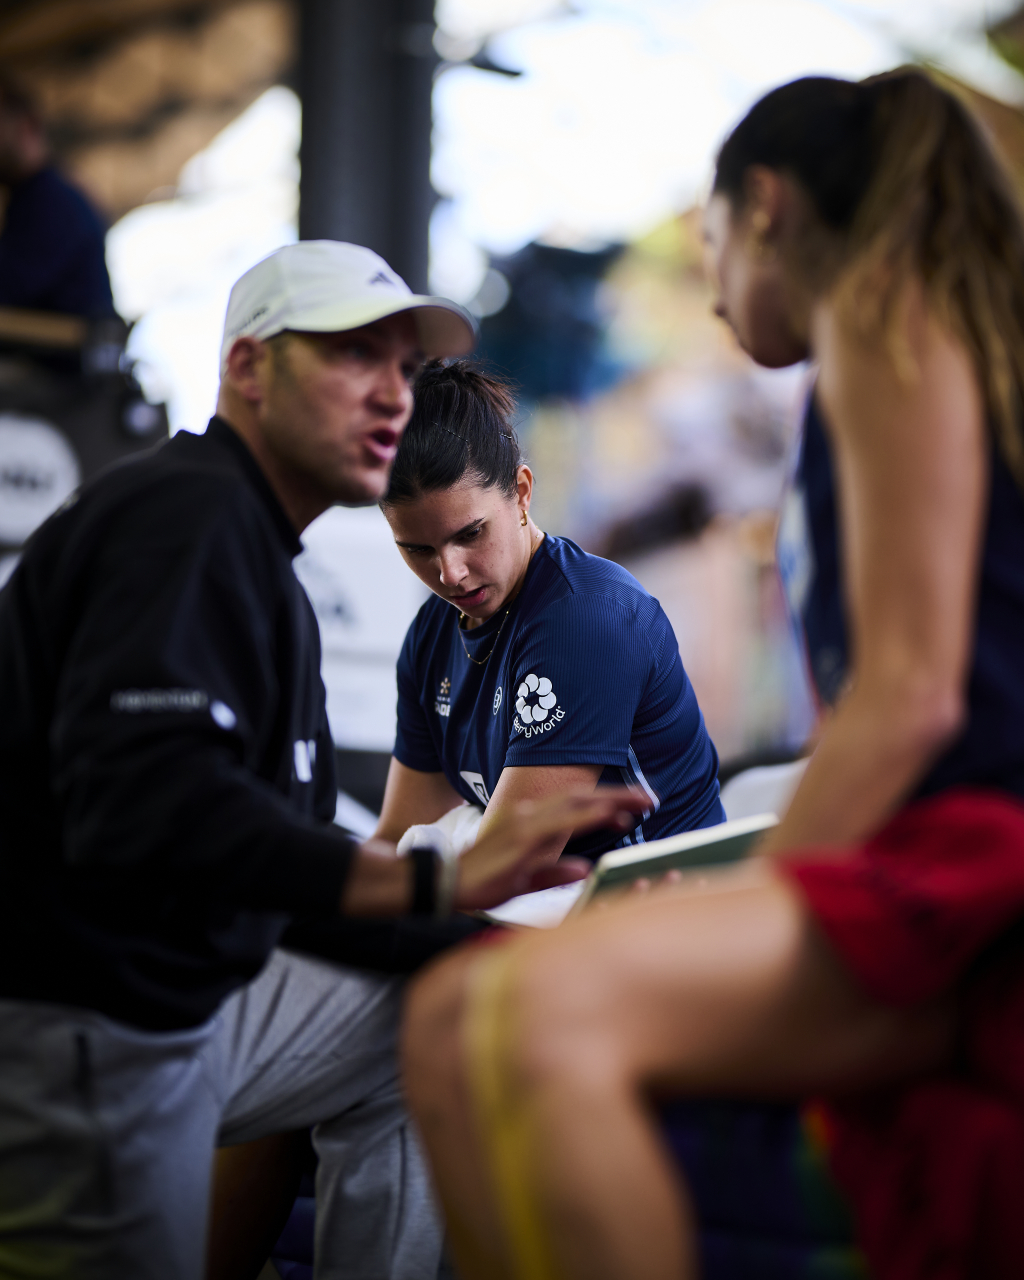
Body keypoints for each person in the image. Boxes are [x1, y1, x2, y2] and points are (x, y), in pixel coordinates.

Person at [401, 69, 1024, 1280]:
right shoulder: (882, 357)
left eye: (713, 242)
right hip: (930, 856)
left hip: (967, 869)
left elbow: (911, 697)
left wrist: (758, 893)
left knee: (524, 1013)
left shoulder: (891, 321)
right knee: (440, 1020)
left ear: (771, 206)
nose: (710, 285)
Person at [0, 238, 644, 1280]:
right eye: (352, 356)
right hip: (80, 1017)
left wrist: (466, 933)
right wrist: (439, 879)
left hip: (168, 992)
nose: (391, 392)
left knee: (430, 1009)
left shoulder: (258, 562)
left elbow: (283, 883)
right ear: (249, 369)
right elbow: (150, 811)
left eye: (401, 365)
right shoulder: (183, 516)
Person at [374, 360, 723, 864]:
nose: (450, 573)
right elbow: (396, 838)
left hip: (663, 916)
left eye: (470, 534)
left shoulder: (586, 618)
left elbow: (502, 863)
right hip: (538, 920)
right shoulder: (430, 635)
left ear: (520, 492)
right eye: (418, 550)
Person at [0, 71, 116, 317]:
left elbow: (9, 288)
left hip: (59, 354)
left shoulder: (51, 200)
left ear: (27, 125)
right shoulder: (30, 197)